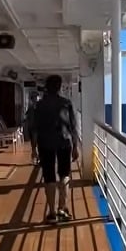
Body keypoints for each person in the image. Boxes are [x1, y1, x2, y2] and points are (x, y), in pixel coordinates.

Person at [32, 75, 79, 223]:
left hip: (45, 143)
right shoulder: (66, 103)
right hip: (64, 142)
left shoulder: (39, 105)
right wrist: (75, 147)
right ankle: (62, 209)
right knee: (64, 174)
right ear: (59, 87)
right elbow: (73, 127)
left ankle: (51, 212)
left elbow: (34, 129)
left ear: (46, 87)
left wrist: (33, 148)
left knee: (49, 177)